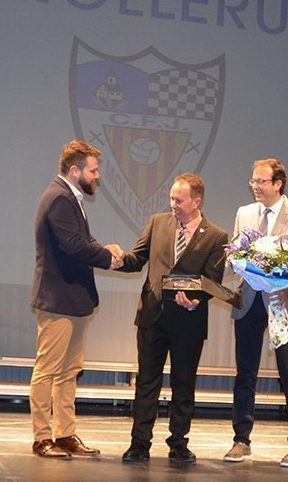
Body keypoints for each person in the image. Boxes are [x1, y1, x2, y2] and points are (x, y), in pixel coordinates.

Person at [117, 174, 230, 464]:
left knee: (183, 384)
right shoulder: (158, 222)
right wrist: (117, 259)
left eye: (178, 200)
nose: (172, 205)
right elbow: (137, 258)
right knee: (146, 383)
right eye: (171, 198)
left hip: (188, 322)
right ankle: (139, 443)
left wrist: (195, 301)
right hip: (152, 315)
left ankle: (178, 443)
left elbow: (212, 282)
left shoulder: (217, 236)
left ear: (197, 201)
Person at [29, 140, 123, 459]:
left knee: (69, 371)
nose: (97, 176)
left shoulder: (70, 197)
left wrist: (105, 249)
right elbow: (73, 246)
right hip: (58, 299)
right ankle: (42, 438)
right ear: (75, 170)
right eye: (93, 170)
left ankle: (64, 434)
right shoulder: (59, 198)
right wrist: (107, 258)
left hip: (74, 299)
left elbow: (82, 240)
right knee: (48, 369)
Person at [224, 158, 288, 468]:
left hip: (284, 306)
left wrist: (287, 289)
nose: (255, 186)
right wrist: (238, 267)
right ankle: (241, 440)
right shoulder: (244, 213)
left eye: (261, 181)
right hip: (250, 302)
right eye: (253, 181)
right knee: (245, 372)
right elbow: (236, 254)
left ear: (278, 183)